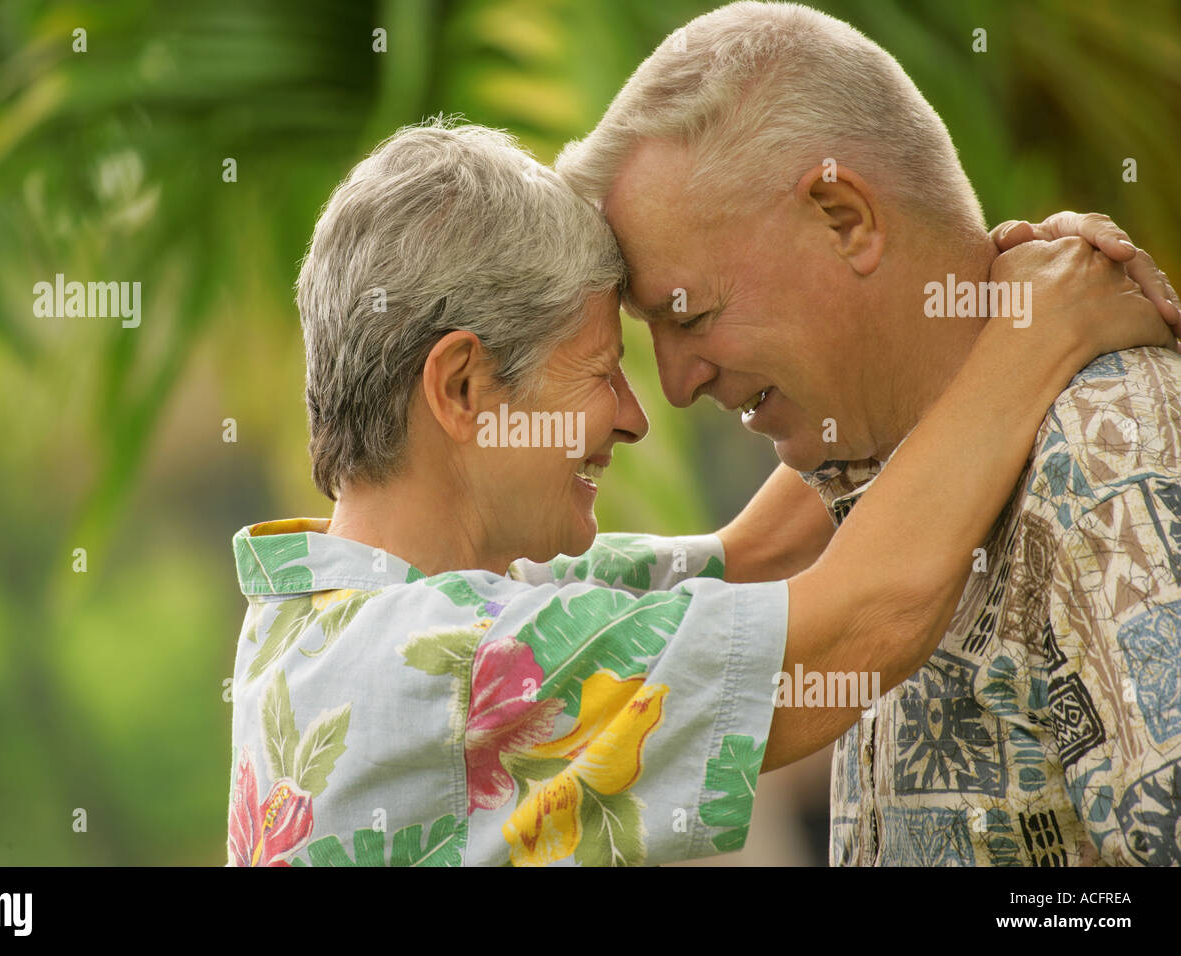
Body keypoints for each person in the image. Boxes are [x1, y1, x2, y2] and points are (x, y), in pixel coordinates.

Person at [225, 120, 1176, 867]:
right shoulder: (444, 665)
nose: (638, 415)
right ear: (466, 387)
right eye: (598, 372)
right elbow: (855, 620)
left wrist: (940, 311)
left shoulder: (337, 625)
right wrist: (1034, 333)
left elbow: (755, 559)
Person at [554, 1, 1181, 865]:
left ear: (844, 216)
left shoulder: (1109, 463)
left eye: (689, 313)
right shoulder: (875, 479)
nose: (674, 384)